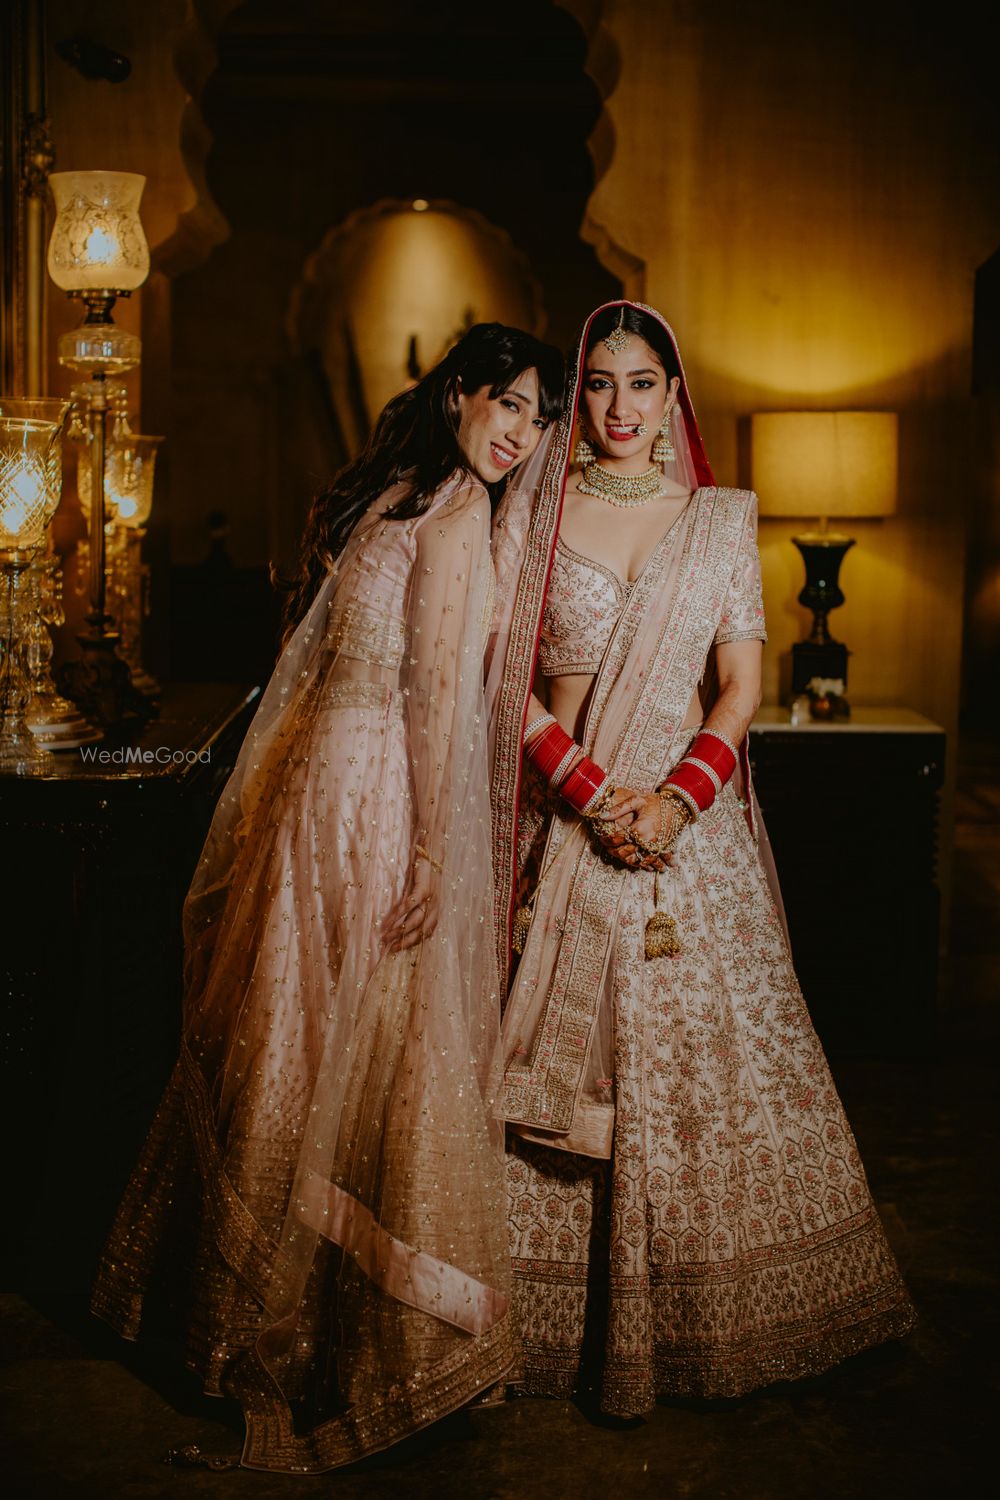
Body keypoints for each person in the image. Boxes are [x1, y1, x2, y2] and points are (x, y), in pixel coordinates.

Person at [92, 323, 564, 1472]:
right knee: (380, 1053)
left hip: (315, 784)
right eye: (507, 404)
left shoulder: (387, 495)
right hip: (382, 799)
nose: (520, 433)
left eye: (535, 416)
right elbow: (435, 701)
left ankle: (246, 1314)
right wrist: (433, 860)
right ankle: (359, 1337)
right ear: (459, 393)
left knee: (295, 1035)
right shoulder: (452, 516)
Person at [485, 301, 915, 1418]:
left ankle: (713, 1316)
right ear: (575, 396)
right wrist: (586, 795)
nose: (620, 408)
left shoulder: (720, 522)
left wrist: (676, 803)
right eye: (599, 385)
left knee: (703, 1068)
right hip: (569, 815)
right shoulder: (531, 514)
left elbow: (737, 688)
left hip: (690, 833)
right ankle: (549, 1330)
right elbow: (501, 684)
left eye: (642, 385)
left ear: (672, 398)